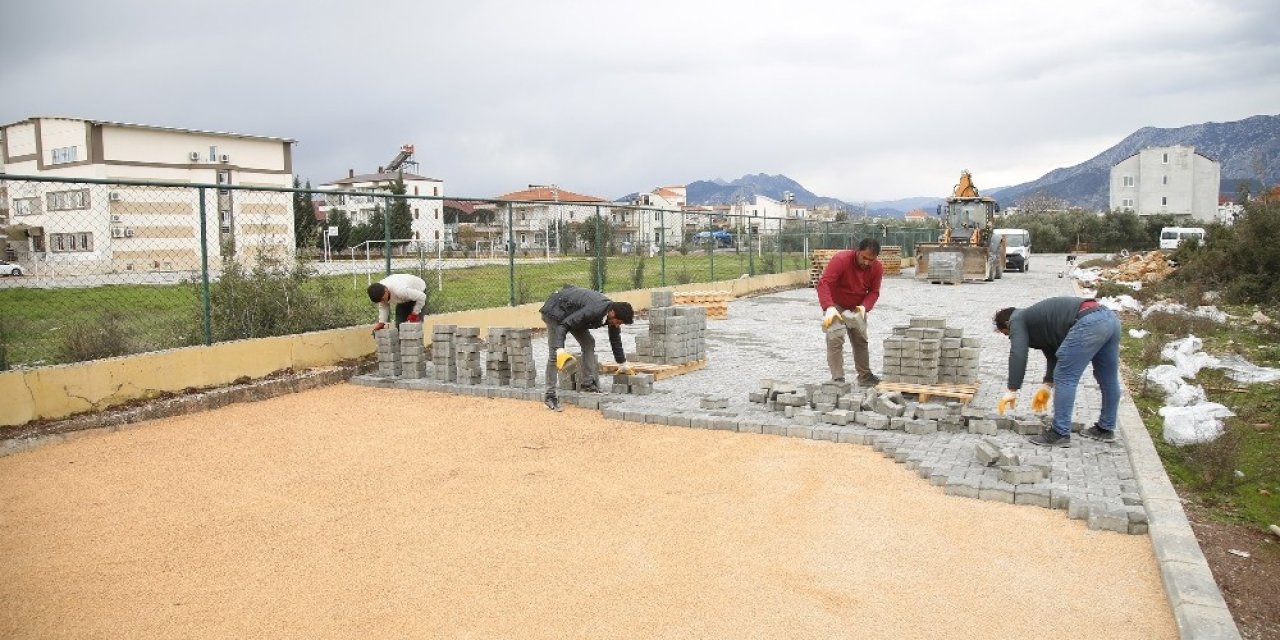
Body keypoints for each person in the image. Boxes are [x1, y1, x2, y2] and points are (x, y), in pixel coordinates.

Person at [993, 296, 1122, 447]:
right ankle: (1105, 429)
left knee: (1065, 377)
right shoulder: (1039, 321)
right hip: (1109, 319)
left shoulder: (1017, 320)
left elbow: (1018, 353)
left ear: (1007, 324)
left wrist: (1012, 389)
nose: (1011, 337)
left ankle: (1059, 433)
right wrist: (1047, 385)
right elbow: (1054, 352)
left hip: (1089, 322)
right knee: (1107, 377)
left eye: (1008, 334)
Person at [539, 285, 635, 411]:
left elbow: (615, 340)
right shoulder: (594, 310)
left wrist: (622, 363)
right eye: (618, 322)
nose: (617, 325)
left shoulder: (611, 313)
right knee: (555, 354)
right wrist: (560, 349)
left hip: (572, 313)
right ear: (612, 313)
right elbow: (564, 325)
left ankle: (588, 385)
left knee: (589, 343)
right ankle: (550, 396)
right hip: (555, 312)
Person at [816, 238, 884, 386]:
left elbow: (874, 292)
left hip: (857, 307)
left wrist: (864, 307)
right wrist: (828, 307)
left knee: (861, 339)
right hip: (836, 305)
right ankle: (837, 378)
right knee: (835, 338)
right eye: (864, 257)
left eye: (871, 260)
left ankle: (865, 376)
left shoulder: (877, 268)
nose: (866, 262)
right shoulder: (841, 260)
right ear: (857, 251)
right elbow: (824, 283)